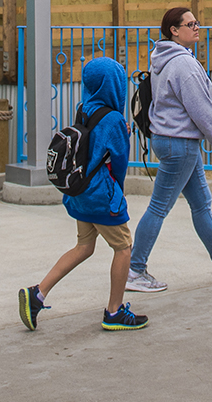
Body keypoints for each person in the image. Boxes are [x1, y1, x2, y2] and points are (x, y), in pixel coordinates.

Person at [125, 7, 212, 293]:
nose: (197, 27)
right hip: (180, 144)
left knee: (201, 203)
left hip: (170, 140)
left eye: (197, 23)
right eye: (190, 24)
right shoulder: (183, 65)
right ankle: (135, 270)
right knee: (159, 207)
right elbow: (202, 111)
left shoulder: (163, 59)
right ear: (174, 30)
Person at [19, 56, 149, 332]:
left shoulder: (84, 108)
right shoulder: (114, 119)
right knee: (124, 248)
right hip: (101, 196)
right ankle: (114, 311)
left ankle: (37, 294)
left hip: (80, 191)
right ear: (113, 85)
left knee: (84, 247)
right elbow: (120, 163)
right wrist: (119, 194)